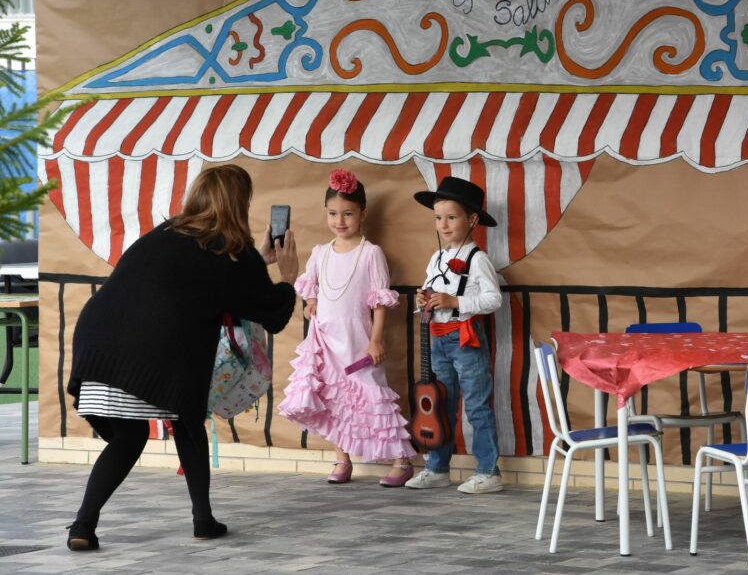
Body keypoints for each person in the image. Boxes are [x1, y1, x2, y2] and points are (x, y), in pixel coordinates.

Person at [66, 165, 298, 551]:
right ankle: (200, 521)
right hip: (145, 351)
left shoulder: (167, 231)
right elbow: (271, 310)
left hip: (97, 342)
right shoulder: (229, 251)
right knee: (184, 424)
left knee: (134, 435)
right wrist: (288, 277)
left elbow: (215, 280)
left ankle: (83, 527)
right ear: (239, 204)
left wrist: (259, 259)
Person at [279, 168, 417, 486]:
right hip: (327, 340)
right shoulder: (319, 254)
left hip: (358, 338)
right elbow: (311, 289)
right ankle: (342, 458)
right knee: (332, 398)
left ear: (363, 214)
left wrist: (376, 340)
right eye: (333, 213)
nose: (340, 221)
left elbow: (378, 302)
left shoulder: (371, 254)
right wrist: (311, 302)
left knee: (372, 396)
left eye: (348, 214)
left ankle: (402, 459)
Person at [406, 176, 504, 494]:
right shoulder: (437, 258)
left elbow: (493, 300)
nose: (444, 225)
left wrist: (455, 301)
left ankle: (489, 471)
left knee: (476, 404)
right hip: (438, 338)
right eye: (438, 218)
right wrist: (424, 300)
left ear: (471, 219)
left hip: (465, 338)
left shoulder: (479, 260)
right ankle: (437, 467)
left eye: (452, 217)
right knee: (441, 404)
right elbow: (432, 292)